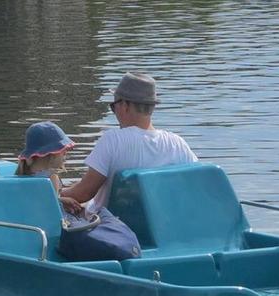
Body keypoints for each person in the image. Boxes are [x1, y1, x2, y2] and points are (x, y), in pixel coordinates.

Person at [61, 72, 196, 215]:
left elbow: (83, 194)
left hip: (115, 229)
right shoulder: (177, 143)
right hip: (161, 225)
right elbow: (197, 184)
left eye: (114, 106)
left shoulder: (113, 140)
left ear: (124, 105)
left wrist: (54, 193)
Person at [15, 121, 75, 197]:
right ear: (51, 153)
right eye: (63, 150)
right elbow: (51, 205)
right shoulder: (52, 178)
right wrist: (61, 201)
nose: (66, 152)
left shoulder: (22, 174)